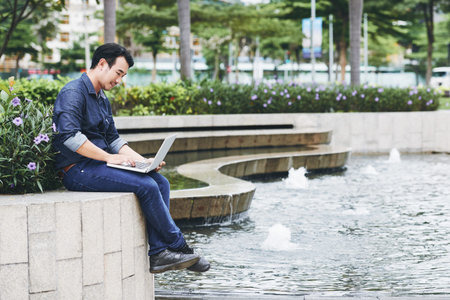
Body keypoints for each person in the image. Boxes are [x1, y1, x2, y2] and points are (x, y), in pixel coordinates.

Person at [52, 43, 210, 273]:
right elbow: (69, 136)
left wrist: (144, 161)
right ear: (102, 64)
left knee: (160, 181)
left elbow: (114, 139)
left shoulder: (101, 99)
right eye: (118, 73)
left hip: (99, 164)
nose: (119, 80)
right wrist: (110, 157)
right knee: (146, 186)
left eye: (123, 76)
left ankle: (158, 253)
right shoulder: (73, 92)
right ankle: (179, 246)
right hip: (77, 170)